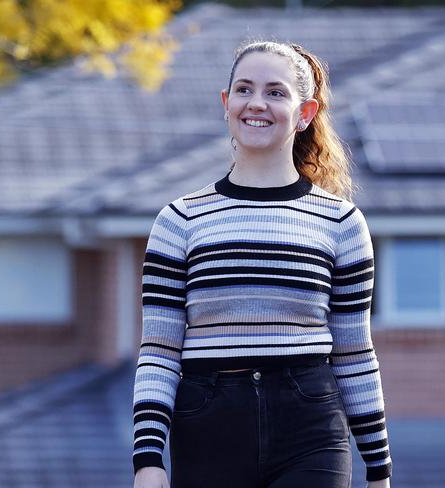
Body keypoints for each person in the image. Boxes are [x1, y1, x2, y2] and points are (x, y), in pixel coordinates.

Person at [132, 40, 392, 488]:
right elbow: (158, 351)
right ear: (226, 103)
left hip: (310, 425)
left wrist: (379, 469)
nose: (257, 103)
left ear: (305, 113)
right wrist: (148, 458)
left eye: (276, 92)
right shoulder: (179, 221)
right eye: (245, 89)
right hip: (208, 426)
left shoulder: (342, 222)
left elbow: (354, 352)